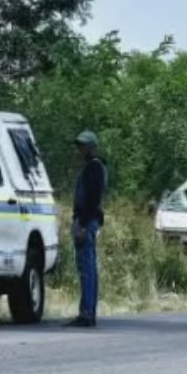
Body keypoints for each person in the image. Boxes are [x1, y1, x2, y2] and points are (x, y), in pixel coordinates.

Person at [68, 131, 108, 328]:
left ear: (92, 147)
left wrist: (82, 224)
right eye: (79, 146)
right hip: (88, 220)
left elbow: (92, 199)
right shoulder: (93, 167)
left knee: (87, 269)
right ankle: (87, 311)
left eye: (83, 146)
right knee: (87, 268)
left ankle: (87, 313)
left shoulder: (94, 168)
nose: (80, 149)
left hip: (87, 221)